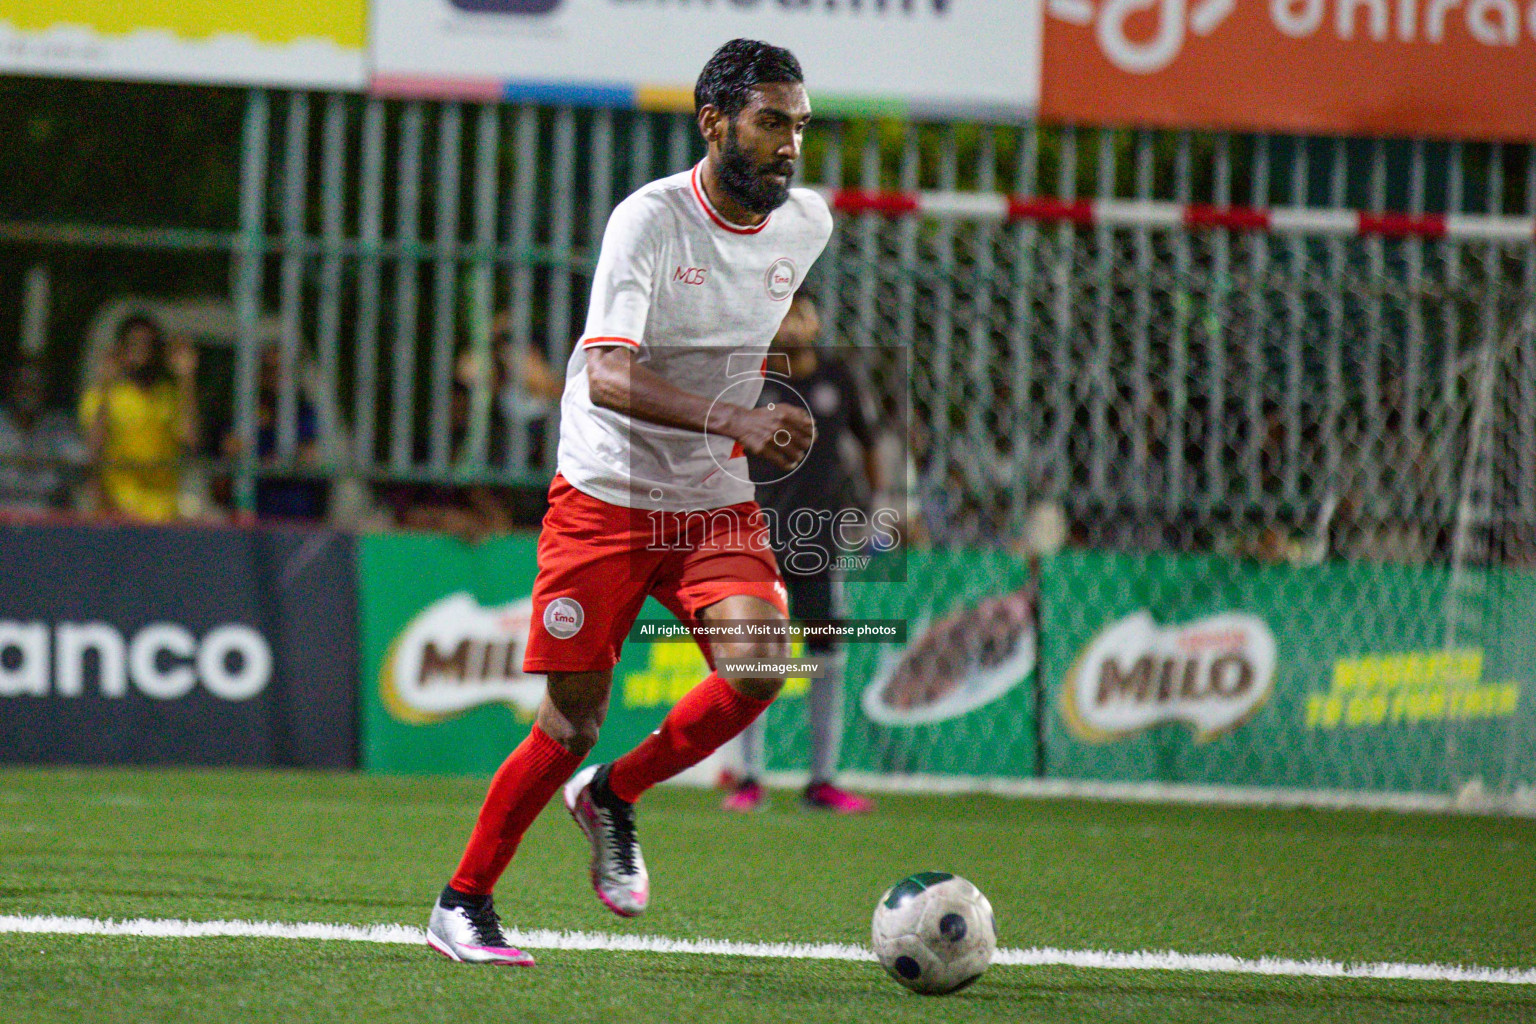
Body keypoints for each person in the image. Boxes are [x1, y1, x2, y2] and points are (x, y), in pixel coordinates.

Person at [426, 38, 832, 965]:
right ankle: (463, 902)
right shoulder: (647, 221)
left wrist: (774, 407)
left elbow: (752, 321)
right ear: (714, 122)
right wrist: (740, 416)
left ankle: (616, 794)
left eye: (800, 127)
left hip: (710, 502)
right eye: (773, 123)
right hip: (604, 495)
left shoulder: (807, 224)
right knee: (570, 722)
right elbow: (607, 374)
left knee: (764, 664)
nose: (790, 146)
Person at [723, 291, 880, 814]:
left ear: (816, 322)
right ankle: (748, 777)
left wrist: (882, 511)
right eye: (785, 312)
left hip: (822, 537)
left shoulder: (840, 377)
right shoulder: (752, 377)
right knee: (752, 653)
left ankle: (822, 779)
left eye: (802, 313)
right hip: (757, 536)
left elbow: (872, 442)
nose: (793, 323)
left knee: (826, 653)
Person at [78, 314, 198, 522]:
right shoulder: (100, 395)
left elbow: (190, 440)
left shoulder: (170, 394)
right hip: (118, 511)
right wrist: (106, 383)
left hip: (164, 513)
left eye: (148, 344)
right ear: (120, 350)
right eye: (133, 344)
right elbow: (93, 449)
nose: (141, 350)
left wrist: (186, 378)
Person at [0, 359, 87, 514]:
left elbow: (81, 459)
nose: (27, 394)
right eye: (22, 388)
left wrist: (43, 460)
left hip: (44, 514)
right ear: (11, 389)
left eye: (33, 388)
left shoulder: (57, 424)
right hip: (4, 509)